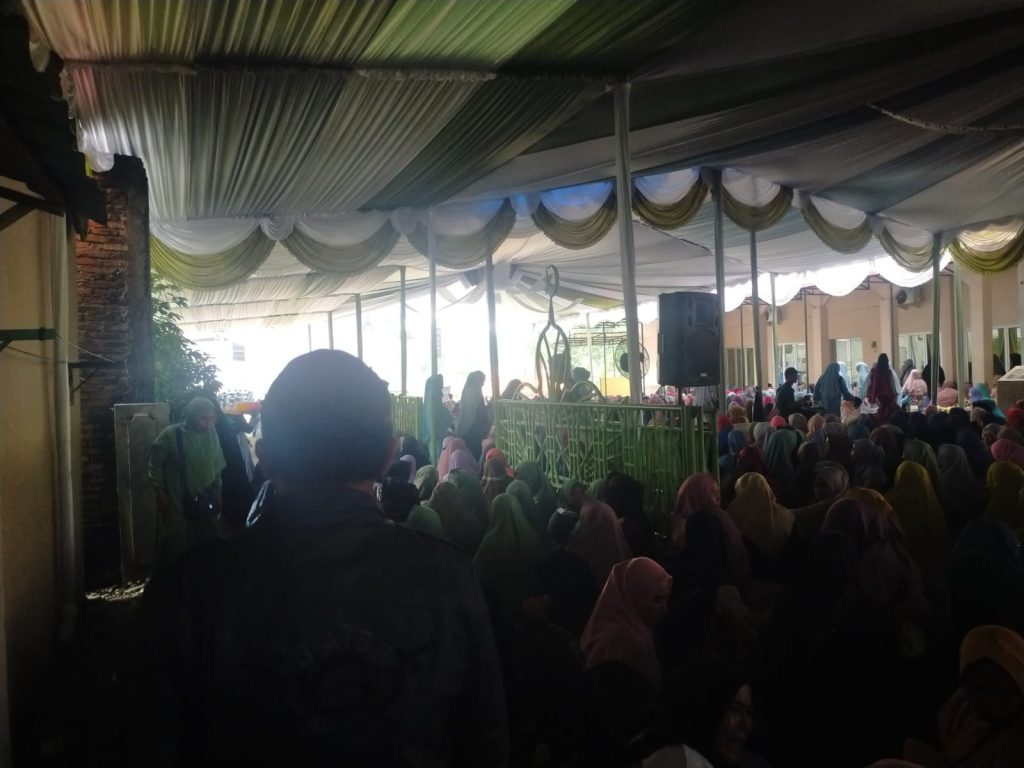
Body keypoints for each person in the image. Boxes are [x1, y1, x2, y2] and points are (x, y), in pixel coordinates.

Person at [140, 350, 508, 767]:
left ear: (265, 458)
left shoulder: (187, 593)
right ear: (388, 456)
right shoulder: (449, 579)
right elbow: (486, 741)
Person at [148, 397, 228, 571]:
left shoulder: (211, 434)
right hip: (178, 503)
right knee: (177, 551)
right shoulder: (171, 435)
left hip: (206, 502)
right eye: (203, 419)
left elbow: (217, 465)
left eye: (212, 419)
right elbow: (155, 465)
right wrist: (160, 492)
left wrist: (219, 493)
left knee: (208, 548)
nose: (208, 424)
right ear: (192, 416)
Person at [455, 370, 491, 461]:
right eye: (482, 381)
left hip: (472, 429)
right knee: (475, 454)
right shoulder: (473, 391)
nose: (483, 383)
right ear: (476, 380)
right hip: (473, 428)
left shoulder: (471, 390)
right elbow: (474, 411)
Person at [867, 353, 901, 423]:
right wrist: (894, 396)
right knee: (886, 416)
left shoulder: (873, 371)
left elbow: (869, 384)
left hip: (875, 397)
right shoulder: (888, 372)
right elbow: (892, 385)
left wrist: (869, 395)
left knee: (876, 417)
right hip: (887, 397)